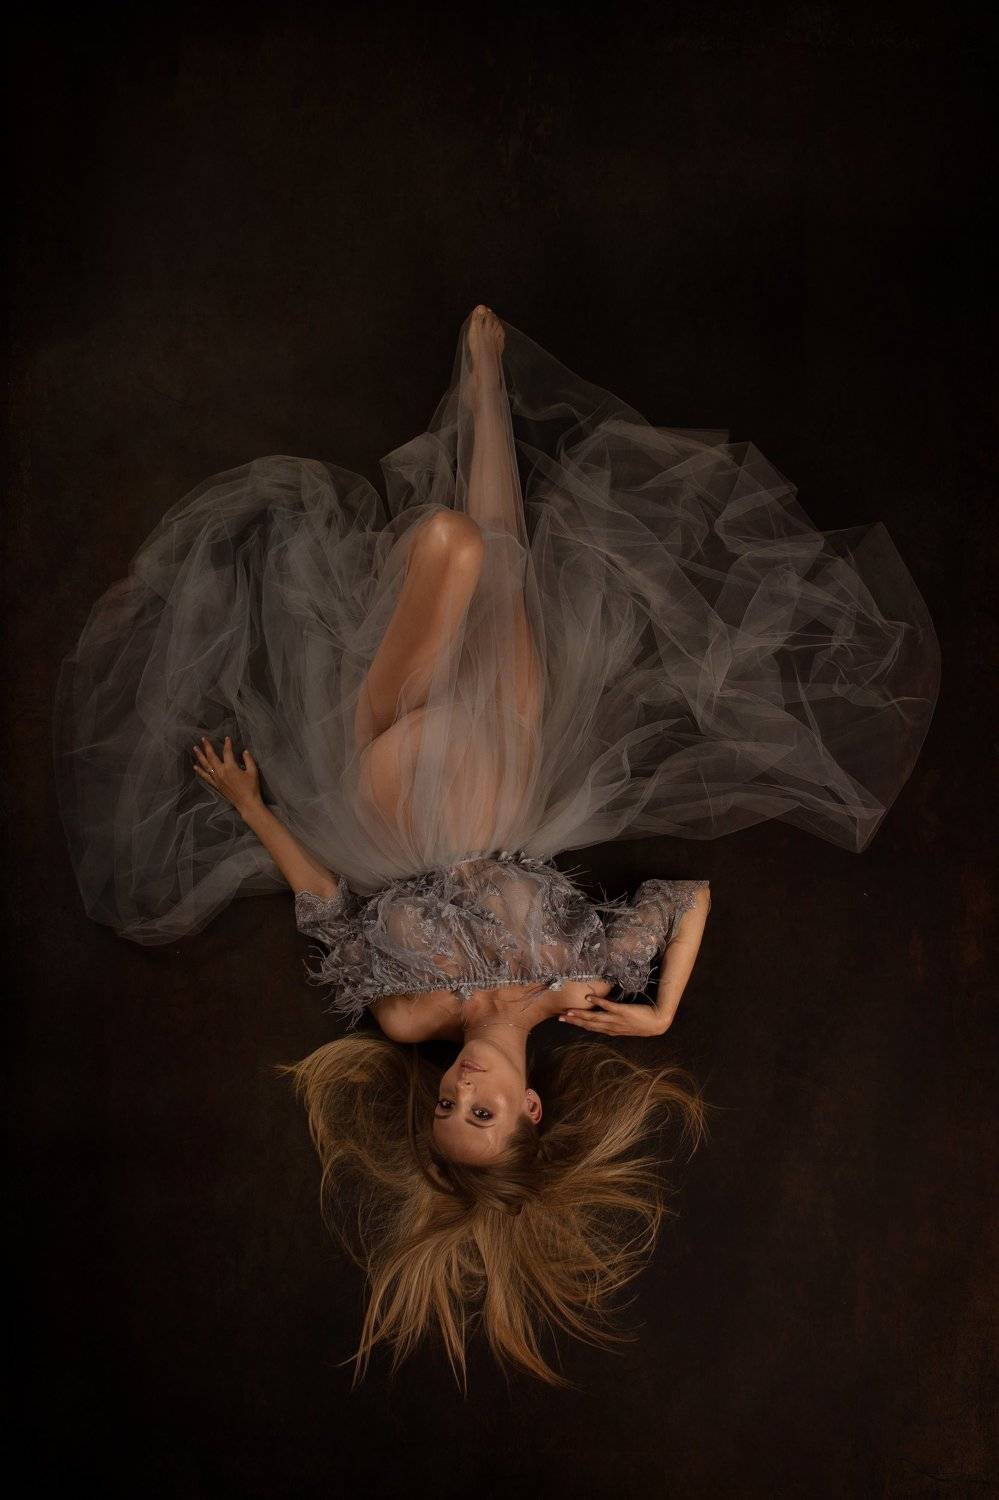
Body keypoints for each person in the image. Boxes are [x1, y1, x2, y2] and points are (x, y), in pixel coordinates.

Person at [53, 305, 941, 1385]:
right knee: (505, 564)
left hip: (397, 787)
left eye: (445, 1108)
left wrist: (251, 806)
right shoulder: (580, 985)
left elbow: (324, 900)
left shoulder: (407, 1014)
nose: (460, 1088)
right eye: (482, 1112)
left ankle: (465, 459)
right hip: (517, 782)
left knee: (452, 546)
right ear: (528, 1110)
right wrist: (660, 1011)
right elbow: (690, 896)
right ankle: (485, 382)